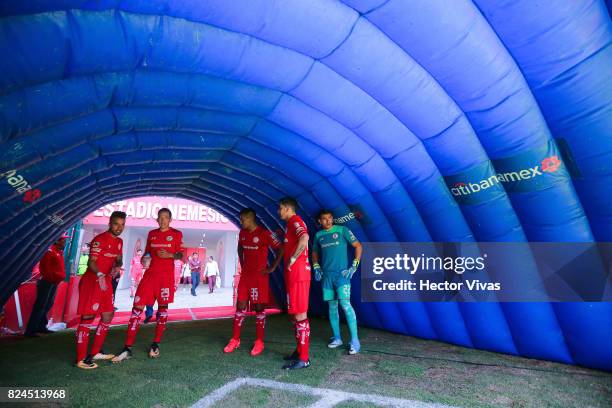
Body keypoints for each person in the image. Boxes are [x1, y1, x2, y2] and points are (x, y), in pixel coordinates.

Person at [112, 208, 183, 362]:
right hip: (149, 277)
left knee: (162, 311)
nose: (163, 220)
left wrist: (170, 255)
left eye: (166, 217)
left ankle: (155, 344)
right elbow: (147, 253)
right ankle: (127, 347)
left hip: (165, 279)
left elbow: (180, 254)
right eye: (160, 217)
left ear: (170, 220)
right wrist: (145, 259)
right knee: (136, 310)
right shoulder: (152, 234)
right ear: (157, 219)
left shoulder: (176, 234)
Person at [223, 208, 282, 356]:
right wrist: (243, 265)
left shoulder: (264, 234)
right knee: (240, 306)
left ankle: (259, 341)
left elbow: (281, 248)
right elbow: (239, 248)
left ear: (251, 219)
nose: (241, 222)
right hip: (246, 277)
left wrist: (272, 268)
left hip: (259, 278)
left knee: (259, 308)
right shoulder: (242, 233)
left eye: (243, 219)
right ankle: (235, 339)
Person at [75, 211, 126, 369]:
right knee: (88, 317)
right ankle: (81, 359)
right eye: (116, 224)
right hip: (93, 281)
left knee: (108, 315)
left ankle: (95, 352)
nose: (119, 227)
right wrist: (99, 273)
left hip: (107, 283)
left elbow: (118, 259)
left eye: (122, 224)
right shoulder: (99, 240)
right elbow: (92, 261)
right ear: (110, 223)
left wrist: (117, 267)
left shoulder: (119, 242)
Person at [312, 209, 362, 355]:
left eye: (330, 218)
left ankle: (355, 341)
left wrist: (354, 265)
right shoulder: (318, 235)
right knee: (332, 307)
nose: (327, 221)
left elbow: (358, 246)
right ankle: (338, 338)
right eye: (324, 219)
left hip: (342, 275)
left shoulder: (342, 230)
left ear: (332, 219)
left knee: (345, 305)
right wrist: (316, 266)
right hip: (327, 277)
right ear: (319, 221)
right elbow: (314, 252)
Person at [278, 197, 311, 370]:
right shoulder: (290, 224)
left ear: (287, 208)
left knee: (300, 315)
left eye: (280, 208)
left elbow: (304, 238)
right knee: (295, 316)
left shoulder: (295, 221)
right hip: (294, 275)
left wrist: (292, 258)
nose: (278, 211)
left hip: (298, 274)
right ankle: (299, 352)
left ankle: (304, 358)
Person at [24, 233, 68, 337]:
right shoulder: (50, 251)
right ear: (57, 241)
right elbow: (44, 268)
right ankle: (30, 331)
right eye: (63, 240)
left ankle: (41, 326)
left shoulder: (58, 251)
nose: (65, 242)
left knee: (48, 304)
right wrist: (51, 279)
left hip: (53, 282)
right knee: (40, 305)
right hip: (47, 282)